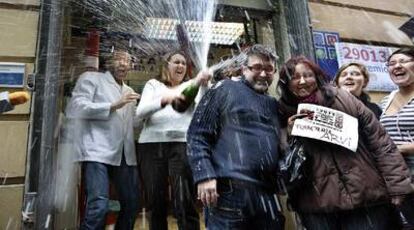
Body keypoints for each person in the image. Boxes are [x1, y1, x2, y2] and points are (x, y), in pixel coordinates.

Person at [278, 56, 413, 230]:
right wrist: (290, 135)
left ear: (317, 77)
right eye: (295, 77)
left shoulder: (343, 99)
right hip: (317, 205)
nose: (303, 81)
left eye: (308, 75)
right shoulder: (280, 111)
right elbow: (280, 159)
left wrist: (398, 185)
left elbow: (380, 142)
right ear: (286, 83)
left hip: (364, 197)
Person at [187, 44, 285, 230]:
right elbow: (197, 134)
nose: (263, 74)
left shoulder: (272, 104)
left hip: (267, 194)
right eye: (257, 67)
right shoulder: (224, 89)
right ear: (243, 69)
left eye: (269, 69)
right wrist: (204, 175)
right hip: (229, 193)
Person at [66, 50, 140, 230]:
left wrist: (152, 111)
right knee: (99, 206)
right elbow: (75, 108)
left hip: (124, 154)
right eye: (119, 59)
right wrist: (113, 105)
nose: (124, 63)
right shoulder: (91, 78)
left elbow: (134, 123)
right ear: (108, 63)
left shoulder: (129, 91)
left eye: (127, 61)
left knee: (131, 204)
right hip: (97, 152)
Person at [135, 50, 209, 230]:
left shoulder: (192, 85)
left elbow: (204, 109)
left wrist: (204, 84)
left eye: (184, 63)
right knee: (156, 201)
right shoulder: (153, 85)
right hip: (151, 147)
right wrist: (164, 100)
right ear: (166, 65)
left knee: (185, 200)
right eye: (176, 62)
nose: (181, 66)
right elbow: (140, 112)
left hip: (182, 145)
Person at [380, 47, 414, 179]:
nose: (397, 66)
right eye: (392, 63)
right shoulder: (386, 100)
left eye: (403, 61)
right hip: (396, 177)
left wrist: (399, 149)